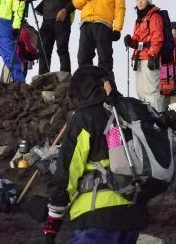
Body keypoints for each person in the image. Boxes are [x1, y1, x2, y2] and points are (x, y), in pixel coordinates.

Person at [43, 66, 146, 244]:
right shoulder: (131, 110)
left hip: (97, 215)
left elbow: (68, 173)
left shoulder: (85, 117)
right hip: (133, 212)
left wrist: (53, 222)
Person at [67, 0, 125, 84]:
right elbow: (76, 3)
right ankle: (85, 88)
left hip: (103, 25)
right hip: (86, 24)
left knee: (104, 59)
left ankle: (107, 92)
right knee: (83, 58)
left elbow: (120, 9)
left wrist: (117, 29)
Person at [20, 0, 79, 74]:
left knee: (62, 49)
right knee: (44, 50)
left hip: (62, 20)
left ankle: (66, 77)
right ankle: (43, 77)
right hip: (47, 20)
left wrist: (65, 10)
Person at [123, 0, 164, 111]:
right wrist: (131, 41)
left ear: (149, 1)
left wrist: (153, 54)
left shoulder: (154, 16)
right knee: (140, 91)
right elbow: (137, 38)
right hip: (140, 58)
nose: (140, 2)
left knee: (151, 90)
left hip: (150, 57)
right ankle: (147, 118)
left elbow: (157, 37)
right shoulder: (140, 18)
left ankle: (157, 118)